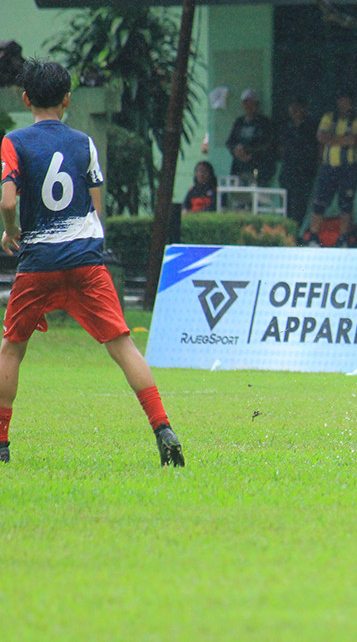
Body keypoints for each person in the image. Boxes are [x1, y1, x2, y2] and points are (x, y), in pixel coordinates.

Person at [0, 60, 184, 467]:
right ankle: (162, 428)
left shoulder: (14, 142)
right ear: (67, 99)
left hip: (39, 261)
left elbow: (8, 202)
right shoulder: (84, 143)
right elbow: (97, 214)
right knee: (122, 345)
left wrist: (11, 231)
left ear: (26, 99)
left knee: (12, 348)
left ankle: (1, 445)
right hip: (85, 260)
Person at [302, 92, 357, 247]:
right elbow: (321, 136)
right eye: (341, 101)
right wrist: (342, 139)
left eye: (347, 102)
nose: (344, 105)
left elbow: (353, 140)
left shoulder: (356, 121)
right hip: (328, 167)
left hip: (348, 168)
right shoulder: (329, 118)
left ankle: (343, 238)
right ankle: (313, 236)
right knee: (319, 203)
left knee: (346, 204)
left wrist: (331, 138)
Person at [278, 96, 318, 230]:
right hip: (288, 171)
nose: (294, 110)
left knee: (299, 206)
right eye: (292, 107)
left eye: (297, 107)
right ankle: (286, 232)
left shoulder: (310, 127)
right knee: (286, 205)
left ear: (303, 109)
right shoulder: (286, 127)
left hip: (304, 173)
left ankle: (296, 232)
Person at [225, 88, 276, 186]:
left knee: (257, 194)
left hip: (258, 169)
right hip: (239, 169)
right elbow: (229, 143)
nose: (248, 106)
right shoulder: (239, 122)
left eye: (251, 102)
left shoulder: (264, 122)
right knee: (238, 194)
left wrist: (248, 152)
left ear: (257, 104)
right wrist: (236, 151)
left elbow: (267, 144)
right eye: (245, 102)